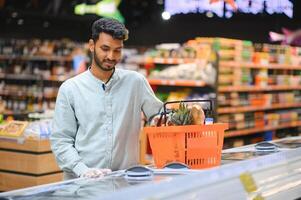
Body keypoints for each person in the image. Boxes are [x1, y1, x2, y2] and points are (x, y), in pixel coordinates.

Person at [50, 18, 163, 180]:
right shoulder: (71, 89)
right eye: (105, 49)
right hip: (82, 186)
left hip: (124, 184)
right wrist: (82, 170)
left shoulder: (135, 82)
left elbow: (159, 116)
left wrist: (175, 117)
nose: (111, 56)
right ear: (91, 45)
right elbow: (61, 140)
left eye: (117, 50)